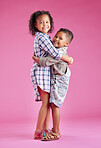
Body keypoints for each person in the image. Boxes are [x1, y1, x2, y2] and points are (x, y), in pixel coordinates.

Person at [29, 10, 73, 140]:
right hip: (42, 71)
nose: (45, 24)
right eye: (41, 22)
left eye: (47, 22)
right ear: (35, 25)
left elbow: (52, 53)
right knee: (45, 104)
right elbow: (54, 53)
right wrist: (68, 58)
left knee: (47, 103)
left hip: (46, 72)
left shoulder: (45, 37)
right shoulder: (42, 37)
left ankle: (44, 130)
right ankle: (39, 131)